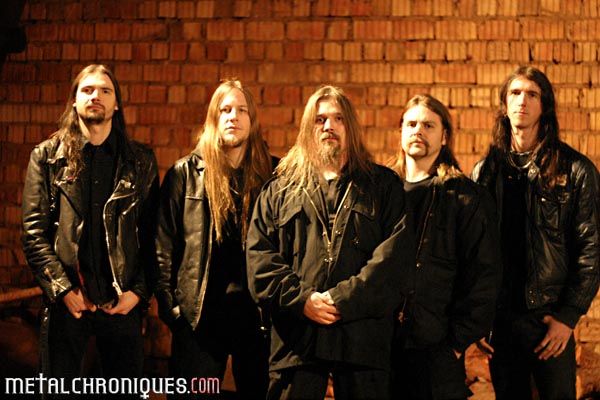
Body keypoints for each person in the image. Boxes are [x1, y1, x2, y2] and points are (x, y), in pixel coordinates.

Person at [247, 85, 413, 399]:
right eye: (320, 119)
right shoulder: (279, 190)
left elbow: (393, 260)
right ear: (307, 128)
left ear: (351, 127)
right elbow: (260, 261)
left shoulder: (383, 186)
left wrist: (342, 300)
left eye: (338, 118)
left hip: (362, 341)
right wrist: (303, 300)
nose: (329, 126)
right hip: (297, 342)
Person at [21, 64, 159, 384]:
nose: (96, 96)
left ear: (116, 104)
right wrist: (62, 289)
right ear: (74, 100)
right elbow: (33, 232)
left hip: (122, 302)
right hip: (69, 303)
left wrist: (138, 293)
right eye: (87, 90)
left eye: (105, 91)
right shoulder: (46, 157)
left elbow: (155, 235)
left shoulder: (139, 161)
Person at [472, 66, 600, 400]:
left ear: (545, 106)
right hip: (500, 320)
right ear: (504, 104)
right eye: (515, 93)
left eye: (532, 94)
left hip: (547, 319)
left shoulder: (575, 170)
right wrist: (477, 316)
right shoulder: (485, 172)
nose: (522, 101)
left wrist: (568, 317)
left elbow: (591, 250)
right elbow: (473, 251)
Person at [154, 80, 274, 398]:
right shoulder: (184, 174)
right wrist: (174, 313)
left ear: (252, 120)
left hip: (257, 320)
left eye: (241, 110)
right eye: (225, 110)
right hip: (200, 319)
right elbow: (162, 248)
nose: (233, 116)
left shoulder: (272, 175)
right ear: (213, 118)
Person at [389, 94, 502, 400]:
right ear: (401, 132)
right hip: (382, 347)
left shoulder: (465, 197)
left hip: (435, 350)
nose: (418, 130)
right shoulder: (382, 191)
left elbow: (485, 275)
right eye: (411, 124)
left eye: (428, 125)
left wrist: (456, 342)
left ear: (444, 136)